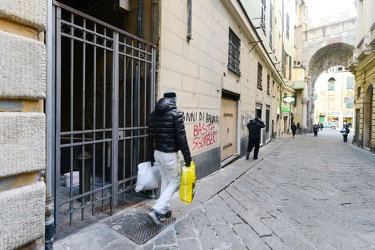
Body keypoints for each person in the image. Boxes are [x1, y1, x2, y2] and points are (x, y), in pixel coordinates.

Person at [147, 90, 192, 225]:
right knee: (175, 181)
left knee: (166, 180)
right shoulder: (176, 113)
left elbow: (150, 136)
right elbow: (182, 138)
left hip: (157, 153)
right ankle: (157, 209)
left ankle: (164, 210)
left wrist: (151, 155)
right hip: (169, 155)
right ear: (174, 100)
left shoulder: (154, 113)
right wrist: (188, 158)